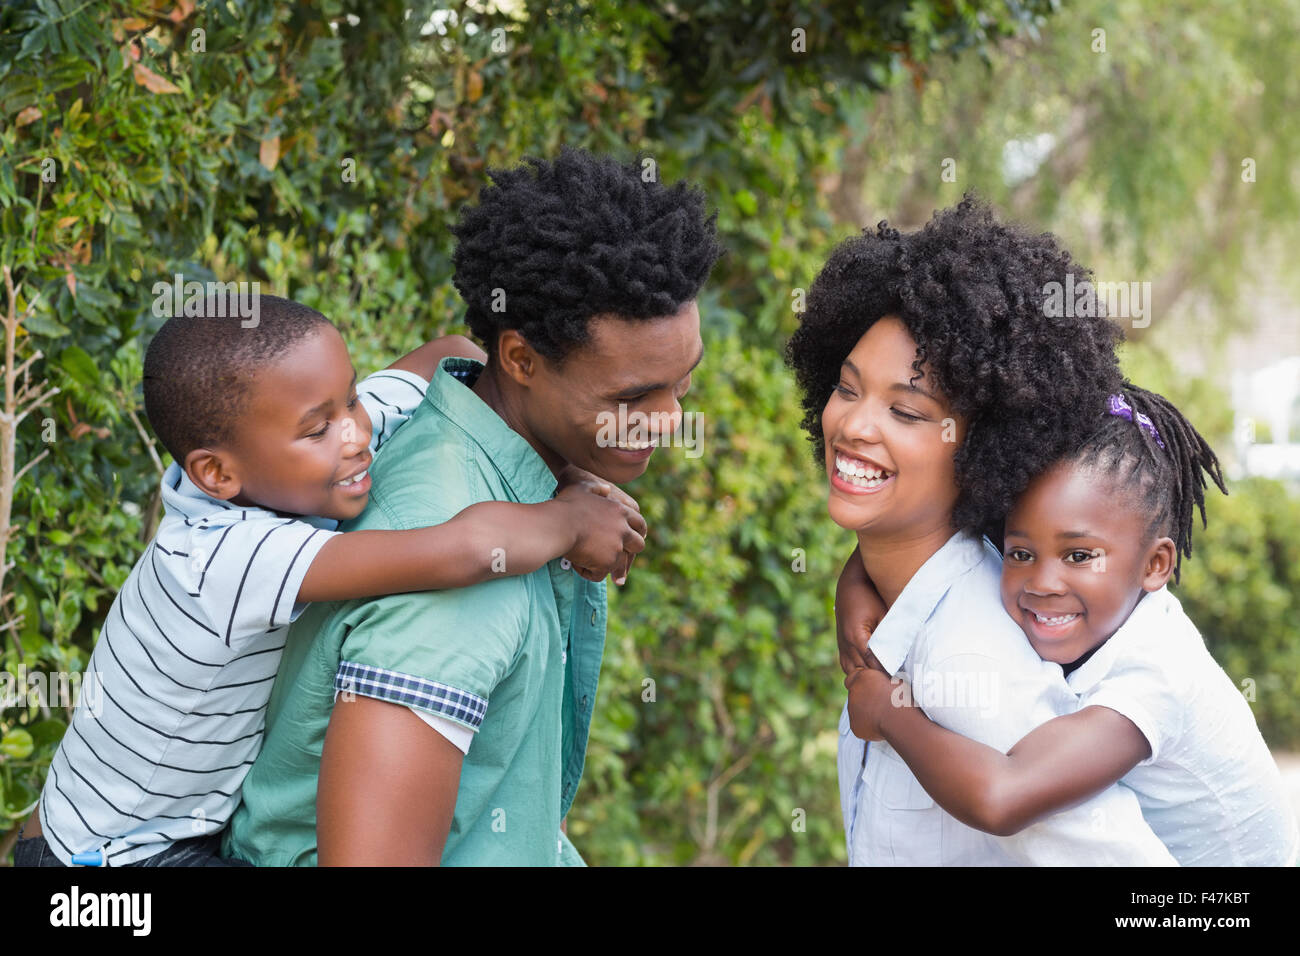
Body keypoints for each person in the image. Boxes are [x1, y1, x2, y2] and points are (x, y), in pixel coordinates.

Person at [15, 295, 644, 867]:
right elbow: (461, 550)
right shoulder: (226, 560)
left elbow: (448, 353)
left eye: (350, 398)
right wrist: (567, 516)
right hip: (111, 860)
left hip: (140, 824)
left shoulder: (315, 441)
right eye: (319, 429)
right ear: (217, 473)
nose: (357, 433)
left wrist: (551, 438)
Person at [224, 147, 723, 865]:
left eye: (681, 384)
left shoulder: (484, 436)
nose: (670, 419)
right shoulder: (455, 592)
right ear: (519, 360)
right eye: (632, 396)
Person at [788, 195, 1177, 864]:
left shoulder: (968, 653)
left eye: (907, 413)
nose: (853, 426)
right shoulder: (896, 603)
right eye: (848, 389)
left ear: (983, 451)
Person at [844, 384, 1300, 866]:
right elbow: (933, 546)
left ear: (1155, 565)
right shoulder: (1100, 612)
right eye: (1021, 553)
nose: (1042, 583)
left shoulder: (1156, 674)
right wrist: (854, 580)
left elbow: (1003, 798)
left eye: (1079, 556)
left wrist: (888, 714)